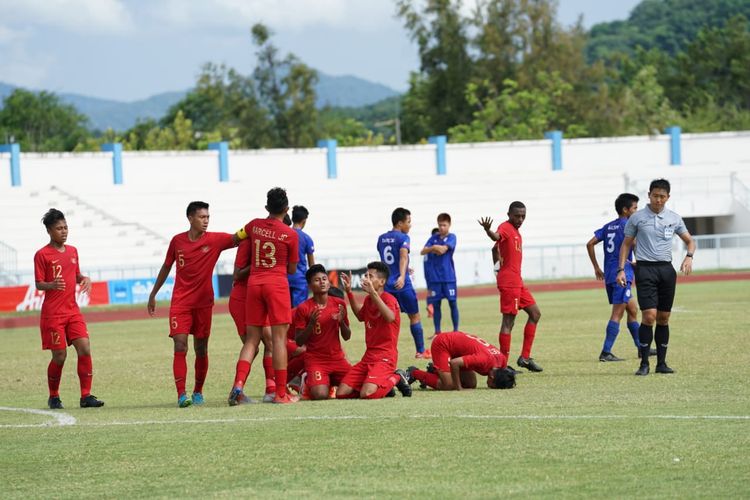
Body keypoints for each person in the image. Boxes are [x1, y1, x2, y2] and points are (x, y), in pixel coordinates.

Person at [148, 201, 237, 407]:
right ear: (190, 218)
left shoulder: (215, 240)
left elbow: (238, 238)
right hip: (181, 302)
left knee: (201, 349)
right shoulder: (177, 241)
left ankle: (198, 391)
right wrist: (153, 293)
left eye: (207, 217)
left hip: (204, 304)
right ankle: (182, 394)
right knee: (180, 344)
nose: (206, 221)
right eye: (202, 217)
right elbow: (166, 266)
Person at [228, 187, 300, 404]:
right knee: (278, 339)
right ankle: (280, 393)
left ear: (267, 207)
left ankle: (237, 387)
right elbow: (292, 269)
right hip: (276, 285)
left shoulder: (253, 225)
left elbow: (235, 237)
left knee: (252, 340)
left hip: (254, 284)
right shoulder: (290, 234)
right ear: (286, 209)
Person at [617, 179, 696, 376]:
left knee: (663, 317)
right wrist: (620, 269)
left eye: (662, 196)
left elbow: (690, 241)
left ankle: (661, 363)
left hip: (666, 271)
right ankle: (644, 363)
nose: (658, 200)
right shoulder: (637, 218)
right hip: (645, 269)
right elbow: (626, 244)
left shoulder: (674, 218)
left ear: (668, 197)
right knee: (649, 316)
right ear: (649, 195)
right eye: (655, 196)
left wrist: (689, 257)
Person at [34, 209, 104, 409]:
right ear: (49, 231)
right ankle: (54, 396)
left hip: (73, 311)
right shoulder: (42, 255)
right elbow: (39, 284)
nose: (64, 231)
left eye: (65, 227)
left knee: (85, 348)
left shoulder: (73, 251)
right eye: (59, 228)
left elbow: (76, 275)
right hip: (53, 314)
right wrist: (51, 285)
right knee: (60, 356)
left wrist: (84, 279)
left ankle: (86, 396)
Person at [479, 201, 543, 372]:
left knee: (535, 314)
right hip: (509, 282)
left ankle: (525, 357)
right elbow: (496, 237)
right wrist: (487, 230)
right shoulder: (505, 227)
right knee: (508, 321)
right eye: (517, 216)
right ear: (509, 214)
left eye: (523, 216)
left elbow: (495, 249)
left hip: (517, 281)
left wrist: (496, 267)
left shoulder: (516, 231)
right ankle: (502, 366)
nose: (520, 219)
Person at [337, 261, 412, 399]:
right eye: (365, 275)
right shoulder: (368, 300)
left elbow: (390, 317)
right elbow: (360, 316)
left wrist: (373, 293)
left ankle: (396, 377)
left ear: (382, 281)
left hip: (385, 357)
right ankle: (382, 386)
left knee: (367, 394)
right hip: (369, 357)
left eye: (370, 276)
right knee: (341, 393)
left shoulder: (389, 299)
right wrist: (349, 292)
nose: (366, 278)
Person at [586, 193, 645, 361]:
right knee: (617, 314)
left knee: (632, 309)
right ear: (626, 210)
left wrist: (597, 267)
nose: (637, 211)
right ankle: (606, 352)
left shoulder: (608, 226)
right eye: (635, 208)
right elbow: (635, 246)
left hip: (610, 274)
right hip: (622, 275)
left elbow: (590, 243)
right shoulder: (629, 227)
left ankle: (641, 348)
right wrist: (637, 263)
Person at [292, 264, 352, 400]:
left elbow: (347, 336)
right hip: (316, 360)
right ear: (310, 285)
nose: (322, 282)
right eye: (317, 280)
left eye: (324, 279)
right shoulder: (303, 308)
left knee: (354, 389)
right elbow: (299, 341)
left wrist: (342, 322)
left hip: (337, 359)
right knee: (320, 395)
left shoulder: (339, 303)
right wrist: (311, 324)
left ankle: (326, 382)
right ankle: (307, 382)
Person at [227, 239, 276, 403]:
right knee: (259, 344)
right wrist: (259, 264)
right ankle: (268, 390)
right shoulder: (249, 242)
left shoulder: (272, 241)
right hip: (243, 298)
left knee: (264, 343)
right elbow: (237, 274)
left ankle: (243, 389)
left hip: (259, 296)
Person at [377, 207, 429, 359]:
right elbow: (403, 257)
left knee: (388, 320)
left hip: (386, 285)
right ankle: (420, 351)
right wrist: (401, 275)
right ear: (400, 223)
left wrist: (405, 269)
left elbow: (386, 260)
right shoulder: (403, 238)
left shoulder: (381, 238)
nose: (410, 225)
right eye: (408, 222)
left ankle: (385, 353)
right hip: (402, 284)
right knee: (414, 316)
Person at [405, 331, 516, 390]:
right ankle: (414, 373)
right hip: (443, 344)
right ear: (492, 377)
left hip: (458, 349)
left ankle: (435, 371)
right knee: (449, 385)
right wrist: (458, 388)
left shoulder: (502, 361)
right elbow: (455, 363)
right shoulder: (483, 360)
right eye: (493, 386)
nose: (490, 386)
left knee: (470, 384)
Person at [421, 213, 459, 337]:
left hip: (448, 277)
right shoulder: (434, 238)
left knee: (452, 304)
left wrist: (434, 248)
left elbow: (443, 250)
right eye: (440, 225)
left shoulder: (452, 237)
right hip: (435, 279)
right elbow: (423, 251)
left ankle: (456, 331)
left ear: (449, 225)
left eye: (444, 225)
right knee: (436, 305)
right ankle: (437, 332)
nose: (442, 227)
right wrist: (435, 247)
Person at [288, 205, 315, 308]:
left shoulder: (285, 235)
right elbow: (312, 265)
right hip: (300, 280)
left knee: (285, 312)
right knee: (299, 312)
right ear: (304, 221)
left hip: (284, 278)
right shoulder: (306, 238)